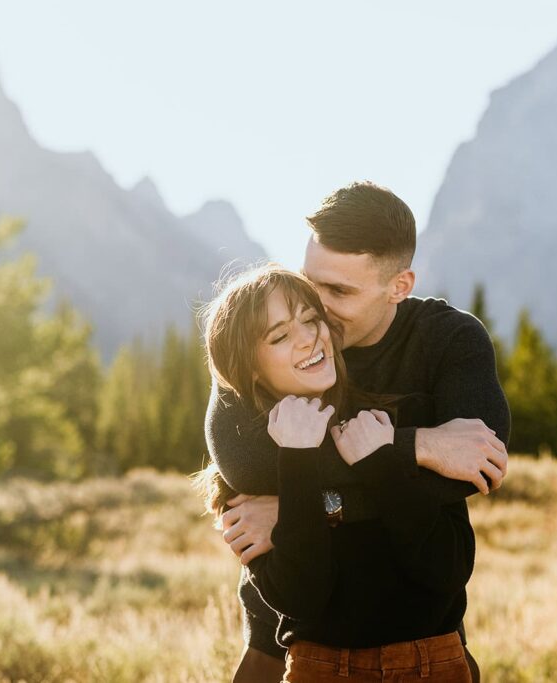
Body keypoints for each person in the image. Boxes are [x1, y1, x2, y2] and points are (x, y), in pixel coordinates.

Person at [206, 182, 510, 682]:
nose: (316, 310)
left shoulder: (448, 340)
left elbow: (474, 465)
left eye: (339, 292)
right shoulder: (277, 335)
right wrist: (422, 446)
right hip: (285, 631)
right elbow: (245, 462)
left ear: (399, 285)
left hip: (419, 626)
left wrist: (306, 505)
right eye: (312, 282)